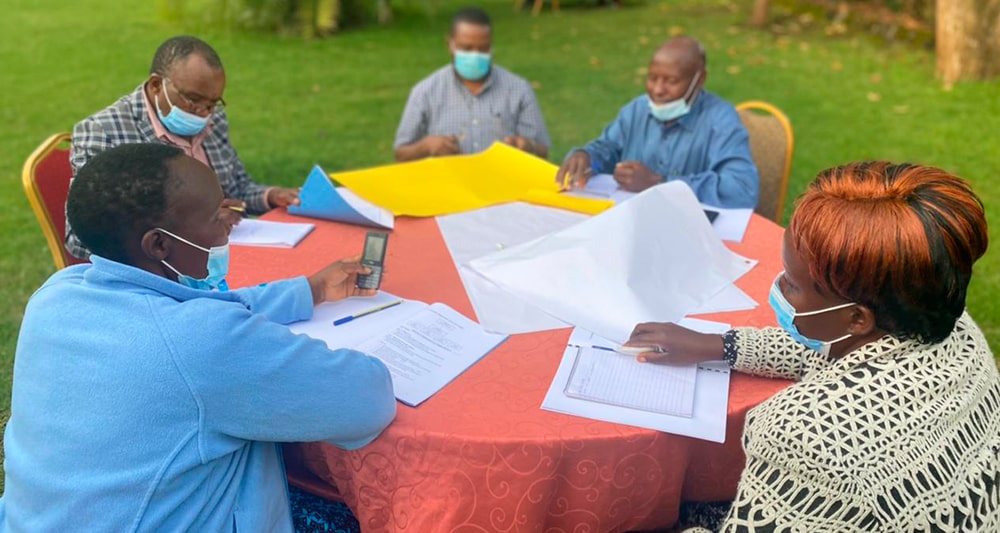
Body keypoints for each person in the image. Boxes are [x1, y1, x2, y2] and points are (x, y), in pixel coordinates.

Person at [0, 143, 397, 531]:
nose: (229, 221)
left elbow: (197, 311)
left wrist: (311, 290)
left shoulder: (57, 294)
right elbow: (368, 400)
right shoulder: (203, 341)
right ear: (159, 244)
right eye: (215, 215)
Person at [623, 161, 1000, 531]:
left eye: (792, 283)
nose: (779, 286)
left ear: (857, 319)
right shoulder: (950, 327)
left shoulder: (806, 436)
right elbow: (828, 348)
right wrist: (720, 345)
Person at [65, 35, 301, 260]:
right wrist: (200, 227)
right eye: (193, 100)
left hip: (230, 253)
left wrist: (272, 196)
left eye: (212, 103)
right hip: (160, 274)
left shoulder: (214, 119)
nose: (203, 114)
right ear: (157, 85)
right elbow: (80, 238)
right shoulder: (105, 132)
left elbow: (237, 189)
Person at [556, 36, 759, 208]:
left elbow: (742, 188)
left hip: (691, 233)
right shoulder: (637, 109)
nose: (658, 90)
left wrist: (660, 183)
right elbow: (608, 148)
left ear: (700, 79)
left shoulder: (720, 119)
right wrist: (588, 157)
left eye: (671, 81)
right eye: (652, 78)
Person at [393, 7, 550, 161]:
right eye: (467, 48)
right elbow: (401, 154)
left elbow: (543, 151)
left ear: (491, 46)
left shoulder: (518, 89)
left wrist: (528, 146)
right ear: (450, 45)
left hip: (501, 183)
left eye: (483, 49)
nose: (475, 55)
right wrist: (426, 146)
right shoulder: (426, 92)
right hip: (447, 184)